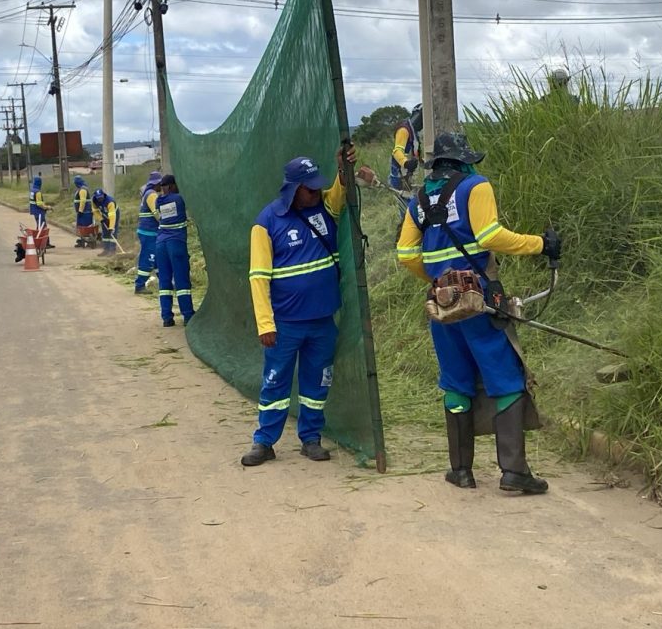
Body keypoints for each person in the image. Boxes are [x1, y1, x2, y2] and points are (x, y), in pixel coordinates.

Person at [395, 131, 562, 494]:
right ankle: (514, 472)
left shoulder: (419, 200)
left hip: (442, 304)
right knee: (506, 377)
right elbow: (489, 236)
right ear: (465, 161)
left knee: (456, 381)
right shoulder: (475, 185)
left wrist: (440, 281)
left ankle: (461, 471)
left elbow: (406, 254)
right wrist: (540, 244)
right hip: (478, 301)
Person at [240, 145, 355, 467]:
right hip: (285, 324)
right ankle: (264, 442)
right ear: (293, 188)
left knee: (317, 383)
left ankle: (311, 438)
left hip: (322, 321)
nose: (316, 193)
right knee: (275, 382)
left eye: (318, 186)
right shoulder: (267, 222)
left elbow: (340, 190)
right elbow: (258, 277)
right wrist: (265, 323)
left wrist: (343, 167)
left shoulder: (325, 208)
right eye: (309, 188)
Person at [150, 175, 195, 328]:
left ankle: (167, 318)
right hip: (176, 243)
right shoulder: (179, 199)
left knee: (165, 281)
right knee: (182, 280)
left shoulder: (158, 200)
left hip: (160, 244)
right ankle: (188, 315)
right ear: (171, 186)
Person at [134, 171, 163, 294]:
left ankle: (165, 283)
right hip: (149, 232)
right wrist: (165, 223)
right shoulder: (152, 195)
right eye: (160, 184)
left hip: (149, 232)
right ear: (156, 184)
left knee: (158, 259)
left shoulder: (148, 193)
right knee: (148, 259)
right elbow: (157, 213)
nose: (162, 186)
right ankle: (140, 285)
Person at [389, 103, 423, 190]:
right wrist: (406, 163)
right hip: (398, 176)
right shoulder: (404, 130)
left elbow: (415, 152)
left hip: (409, 177)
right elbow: (397, 151)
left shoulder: (415, 133)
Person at [91, 188, 119, 256]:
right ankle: (106, 250)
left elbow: (112, 216)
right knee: (105, 232)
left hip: (114, 214)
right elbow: (95, 211)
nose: (100, 199)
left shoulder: (110, 202)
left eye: (101, 197)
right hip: (104, 215)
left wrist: (111, 227)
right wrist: (101, 219)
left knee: (112, 232)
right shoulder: (94, 200)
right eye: (98, 198)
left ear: (103, 195)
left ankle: (112, 250)